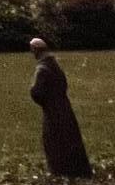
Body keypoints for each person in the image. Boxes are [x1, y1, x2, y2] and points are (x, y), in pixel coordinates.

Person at [28, 36, 93, 177]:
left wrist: (43, 101)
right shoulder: (55, 65)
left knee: (53, 139)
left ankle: (60, 170)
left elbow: (36, 92)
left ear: (35, 50)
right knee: (69, 137)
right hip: (64, 106)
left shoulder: (42, 68)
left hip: (51, 109)